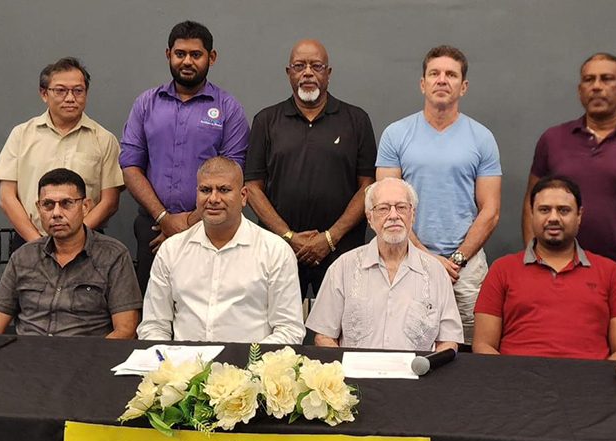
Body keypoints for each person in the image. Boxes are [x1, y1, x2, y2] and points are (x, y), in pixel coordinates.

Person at [522, 52, 616, 312]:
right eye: (589, 79)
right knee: (555, 347)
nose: (597, 86)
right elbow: (532, 203)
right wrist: (532, 261)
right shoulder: (553, 139)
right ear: (579, 89)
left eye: (607, 79)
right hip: (557, 268)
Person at [376, 45, 502, 344]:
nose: (442, 80)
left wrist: (457, 259)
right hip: (404, 258)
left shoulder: (482, 138)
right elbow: (385, 204)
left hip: (466, 269)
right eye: (434, 73)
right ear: (423, 83)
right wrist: (425, 257)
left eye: (451, 74)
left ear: (464, 86)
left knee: (470, 348)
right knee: (403, 341)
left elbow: (491, 210)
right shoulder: (396, 134)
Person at [120, 20, 250, 293]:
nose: (187, 61)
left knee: (207, 305)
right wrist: (164, 218)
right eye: (180, 54)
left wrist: (189, 221)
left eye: (196, 54)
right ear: (169, 54)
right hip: (154, 229)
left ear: (211, 58)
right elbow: (130, 166)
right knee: (154, 309)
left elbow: (233, 173)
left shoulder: (228, 108)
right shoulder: (146, 103)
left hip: (212, 227)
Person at [244, 39, 377, 300]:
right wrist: (290, 237)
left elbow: (368, 186)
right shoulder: (266, 121)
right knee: (276, 331)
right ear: (288, 72)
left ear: (328, 73)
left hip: (342, 251)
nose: (307, 72)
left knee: (343, 332)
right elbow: (252, 188)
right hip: (279, 251)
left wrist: (329, 238)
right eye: (299, 66)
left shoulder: (356, 120)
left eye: (316, 66)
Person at [137, 156, 305, 344]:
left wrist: (247, 366)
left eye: (224, 190)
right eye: (205, 190)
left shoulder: (275, 251)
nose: (214, 199)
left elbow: (289, 329)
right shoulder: (171, 250)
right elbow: (153, 326)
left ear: (243, 196)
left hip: (250, 367)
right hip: (183, 368)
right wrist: (169, 364)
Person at [473, 177, 616, 360]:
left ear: (579, 215)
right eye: (544, 210)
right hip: (517, 383)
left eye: (563, 210)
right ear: (532, 213)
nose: (553, 218)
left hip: (590, 384)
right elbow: (483, 345)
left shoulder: (610, 272)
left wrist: (596, 384)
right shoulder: (502, 270)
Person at [306, 178, 463, 351]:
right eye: (383, 208)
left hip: (417, 375)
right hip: (356, 376)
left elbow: (448, 342)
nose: (394, 216)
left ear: (413, 214)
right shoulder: (343, 268)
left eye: (401, 207)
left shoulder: (436, 272)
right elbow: (324, 337)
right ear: (369, 218)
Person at [0, 169, 141, 338]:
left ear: (85, 207)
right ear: (38, 208)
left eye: (67, 203)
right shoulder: (23, 257)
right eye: (48, 204)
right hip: (26, 356)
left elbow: (126, 330)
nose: (56, 213)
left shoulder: (113, 256)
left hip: (88, 358)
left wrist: (91, 362)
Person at [0, 57, 123, 250]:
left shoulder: (103, 139)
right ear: (44, 94)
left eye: (78, 91)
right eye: (60, 91)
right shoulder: (21, 135)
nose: (70, 98)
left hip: (87, 244)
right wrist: (37, 243)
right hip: (30, 241)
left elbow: (110, 201)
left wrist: (73, 237)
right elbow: (7, 197)